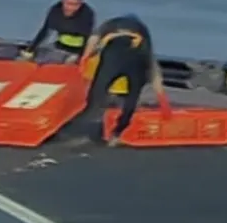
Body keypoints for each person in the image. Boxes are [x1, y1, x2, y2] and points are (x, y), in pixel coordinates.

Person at [71, 13, 171, 146]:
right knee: (131, 99)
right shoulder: (141, 30)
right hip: (136, 58)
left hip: (114, 55)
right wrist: (162, 97)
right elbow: (151, 64)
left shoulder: (110, 24)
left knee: (95, 95)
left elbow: (93, 39)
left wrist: (84, 58)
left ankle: (83, 126)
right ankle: (117, 133)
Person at [23, 0, 95, 63]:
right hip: (59, 47)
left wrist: (81, 58)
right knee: (35, 58)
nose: (71, 8)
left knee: (70, 61)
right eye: (68, 4)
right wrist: (30, 50)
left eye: (75, 5)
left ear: (81, 3)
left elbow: (88, 39)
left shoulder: (87, 14)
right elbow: (45, 31)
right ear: (63, 0)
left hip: (77, 51)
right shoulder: (56, 10)